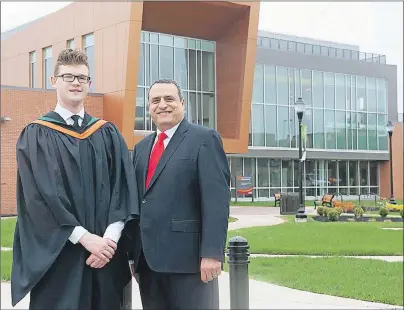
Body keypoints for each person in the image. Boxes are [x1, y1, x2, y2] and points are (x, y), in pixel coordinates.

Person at [11, 48, 139, 310]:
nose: (76, 83)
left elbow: (123, 189)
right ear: (53, 81)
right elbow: (39, 199)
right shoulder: (37, 134)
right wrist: (85, 239)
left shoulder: (107, 133)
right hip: (61, 257)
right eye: (68, 76)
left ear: (89, 84)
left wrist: (109, 241)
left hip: (106, 257)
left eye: (82, 78)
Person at [127, 79, 230, 309]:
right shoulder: (142, 148)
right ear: (149, 107)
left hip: (190, 263)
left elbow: (216, 201)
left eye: (169, 99)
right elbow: (138, 202)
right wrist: (133, 254)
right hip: (148, 264)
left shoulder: (204, 139)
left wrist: (212, 253)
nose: (162, 105)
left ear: (182, 103)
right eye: (155, 100)